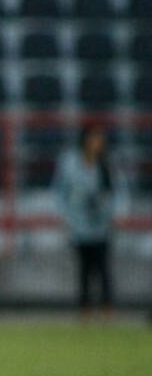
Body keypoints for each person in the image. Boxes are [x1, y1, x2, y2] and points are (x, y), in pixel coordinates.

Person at [54, 123, 124, 317]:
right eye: (92, 138)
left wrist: (116, 215)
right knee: (84, 269)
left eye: (99, 139)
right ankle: (84, 309)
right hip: (79, 225)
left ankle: (107, 309)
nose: (96, 143)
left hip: (102, 225)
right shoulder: (70, 164)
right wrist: (66, 216)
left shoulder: (107, 165)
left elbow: (118, 193)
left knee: (103, 268)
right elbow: (60, 192)